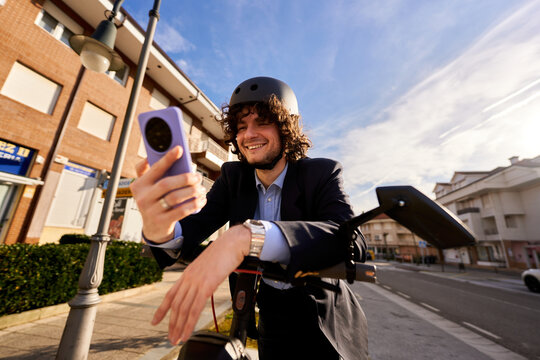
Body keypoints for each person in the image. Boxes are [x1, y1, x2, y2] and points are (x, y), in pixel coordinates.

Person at [130, 76, 368, 360]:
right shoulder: (233, 177)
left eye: (262, 122)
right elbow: (193, 228)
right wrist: (161, 230)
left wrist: (248, 236)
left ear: (286, 128)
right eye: (241, 127)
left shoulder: (322, 172)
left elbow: (349, 240)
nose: (248, 134)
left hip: (326, 322)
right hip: (269, 315)